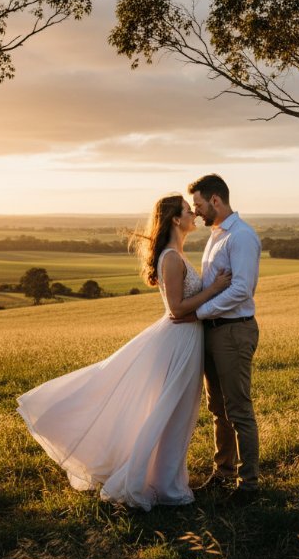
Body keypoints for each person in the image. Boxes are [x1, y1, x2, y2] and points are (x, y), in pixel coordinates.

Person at [17, 194, 230, 511]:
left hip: (186, 339)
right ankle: (159, 486)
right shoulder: (171, 258)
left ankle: (165, 482)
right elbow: (175, 309)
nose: (193, 216)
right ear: (175, 218)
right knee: (168, 413)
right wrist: (214, 290)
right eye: (188, 211)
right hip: (177, 342)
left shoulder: (178, 254)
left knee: (177, 414)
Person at [176, 174, 262, 506]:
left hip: (233, 330)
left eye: (197, 204)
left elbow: (242, 289)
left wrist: (198, 313)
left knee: (238, 408)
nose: (195, 212)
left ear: (215, 200)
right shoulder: (216, 236)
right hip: (213, 331)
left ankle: (248, 484)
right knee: (217, 409)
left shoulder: (241, 237)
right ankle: (224, 472)